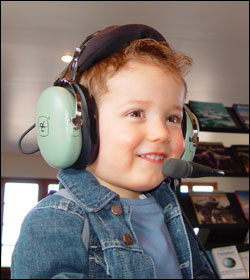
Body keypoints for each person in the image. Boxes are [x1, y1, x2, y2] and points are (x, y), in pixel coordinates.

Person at [11, 24, 216, 279]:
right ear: (82, 126)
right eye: (136, 113)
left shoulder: (171, 210)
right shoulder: (56, 220)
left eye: (172, 118)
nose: (162, 133)